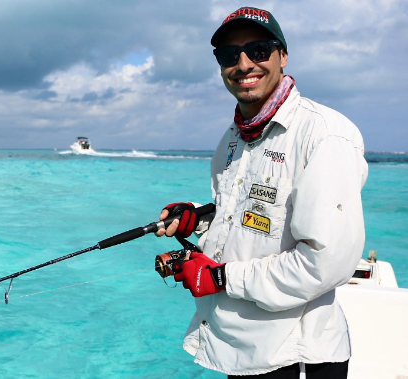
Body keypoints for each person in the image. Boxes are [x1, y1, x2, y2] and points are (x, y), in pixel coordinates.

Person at [155, 6, 368, 379]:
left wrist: (220, 278)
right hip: (241, 352)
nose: (243, 64)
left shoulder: (324, 135)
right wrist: (200, 218)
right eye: (228, 55)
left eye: (258, 50)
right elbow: (249, 216)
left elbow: (324, 263)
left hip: (294, 358)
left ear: (282, 55)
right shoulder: (233, 138)